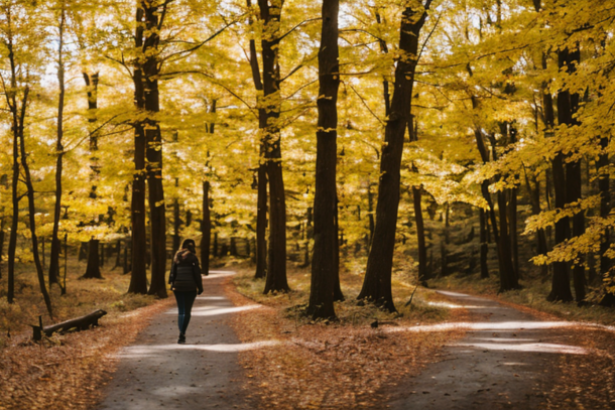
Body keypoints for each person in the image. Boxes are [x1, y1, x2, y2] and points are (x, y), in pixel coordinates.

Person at [169, 239, 203, 344]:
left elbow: (173, 271)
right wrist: (200, 287)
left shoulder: (177, 256)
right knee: (187, 311)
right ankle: (182, 333)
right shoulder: (193, 258)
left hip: (178, 286)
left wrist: (171, 283)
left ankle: (181, 334)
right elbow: (197, 274)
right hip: (190, 287)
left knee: (181, 311)